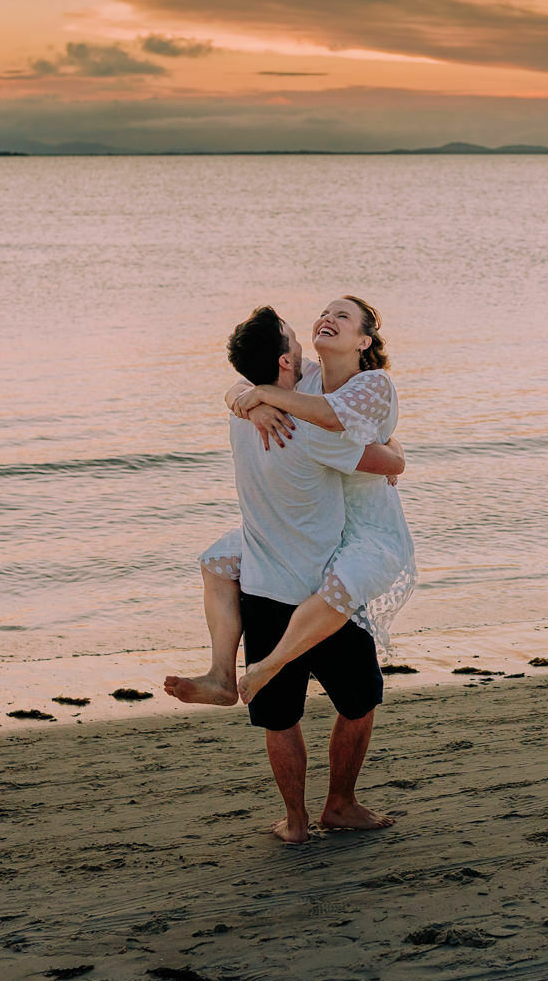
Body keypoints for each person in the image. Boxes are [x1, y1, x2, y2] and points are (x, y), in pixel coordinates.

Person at [162, 305, 403, 843]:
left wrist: (251, 396)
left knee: (280, 719)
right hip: (324, 592)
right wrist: (396, 449)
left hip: (261, 589)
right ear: (286, 361)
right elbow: (387, 464)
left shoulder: (242, 418)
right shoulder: (314, 433)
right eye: (293, 337)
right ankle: (340, 804)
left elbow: (242, 388)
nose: (304, 334)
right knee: (359, 705)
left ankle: (294, 822)